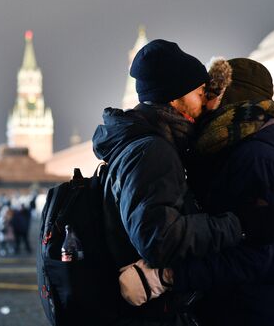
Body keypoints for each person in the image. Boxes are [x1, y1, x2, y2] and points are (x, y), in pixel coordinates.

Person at [91, 39, 244, 324]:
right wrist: (235, 225)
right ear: (175, 97)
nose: (203, 102)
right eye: (199, 93)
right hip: (155, 314)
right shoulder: (152, 151)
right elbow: (158, 239)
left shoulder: (140, 143)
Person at [160, 58, 274, 325]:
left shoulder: (256, 157)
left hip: (259, 311)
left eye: (212, 93)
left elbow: (254, 254)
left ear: (231, 97)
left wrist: (169, 276)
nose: (204, 102)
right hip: (243, 306)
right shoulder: (237, 149)